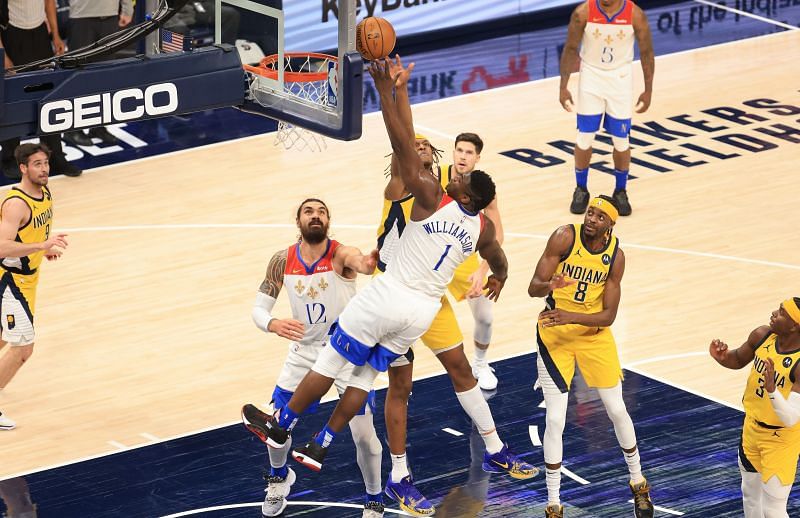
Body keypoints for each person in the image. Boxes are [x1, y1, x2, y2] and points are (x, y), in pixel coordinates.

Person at [242, 55, 536, 516]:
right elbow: (496, 254)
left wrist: (388, 89)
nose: (420, 149)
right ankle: (353, 456)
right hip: (417, 305)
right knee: (377, 378)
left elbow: (400, 138)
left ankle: (285, 423)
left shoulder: (427, 193)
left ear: (451, 183)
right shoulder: (459, 215)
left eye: (427, 149)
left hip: (393, 296)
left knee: (343, 362)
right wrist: (498, 275)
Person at [374, 126, 515, 514]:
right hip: (392, 294)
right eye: (412, 145)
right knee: (399, 384)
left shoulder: (445, 196)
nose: (419, 147)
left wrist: (494, 270)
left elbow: (488, 231)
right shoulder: (403, 184)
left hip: (431, 297)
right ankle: (398, 476)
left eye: (426, 145)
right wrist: (392, 92)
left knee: (462, 368)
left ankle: (495, 447)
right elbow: (402, 146)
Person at [242, 198, 385, 517]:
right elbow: (258, 309)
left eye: (321, 212)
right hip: (304, 354)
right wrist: (274, 323)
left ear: (328, 221)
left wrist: (370, 261)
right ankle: (279, 480)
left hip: (348, 352)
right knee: (276, 429)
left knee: (364, 436)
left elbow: (361, 263)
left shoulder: (340, 254)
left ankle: (374, 499)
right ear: (298, 221)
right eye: (309, 211)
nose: (315, 215)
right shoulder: (281, 261)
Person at [528, 196, 653, 518]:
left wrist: (571, 315)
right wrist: (548, 285)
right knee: (555, 419)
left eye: (600, 216)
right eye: (590, 212)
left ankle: (639, 483)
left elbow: (608, 316)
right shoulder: (564, 237)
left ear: (611, 225)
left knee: (616, 409)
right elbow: (533, 288)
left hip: (592, 333)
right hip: (554, 333)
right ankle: (554, 504)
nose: (591, 219)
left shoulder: (616, 257)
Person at [559, 0, 654, 216]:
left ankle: (620, 191)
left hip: (620, 78)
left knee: (621, 140)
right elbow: (571, 48)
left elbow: (647, 52)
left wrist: (648, 90)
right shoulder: (582, 13)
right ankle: (581, 189)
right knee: (584, 137)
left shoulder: (635, 15)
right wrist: (563, 87)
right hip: (591, 76)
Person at [709, 298, 800, 517]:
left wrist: (772, 390)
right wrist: (722, 357)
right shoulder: (762, 335)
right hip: (751, 429)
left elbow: (791, 418)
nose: (773, 314)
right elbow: (738, 359)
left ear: (794, 325)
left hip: (780, 440)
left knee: (773, 510)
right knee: (750, 497)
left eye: (781, 313)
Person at [0, 143, 69, 430]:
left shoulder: (45, 192)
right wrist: (40, 245)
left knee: (2, 337)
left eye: (45, 163)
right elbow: (2, 246)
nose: (44, 169)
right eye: (37, 164)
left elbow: (37, 230)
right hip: (11, 282)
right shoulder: (16, 202)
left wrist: (44, 249)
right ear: (23, 168)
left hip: (26, 280)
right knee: (23, 348)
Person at [443, 132, 504, 390]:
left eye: (469, 152)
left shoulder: (482, 189)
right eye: (459, 150)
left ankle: (479, 362)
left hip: (462, 257)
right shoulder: (436, 175)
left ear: (477, 157)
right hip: (428, 255)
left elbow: (498, 233)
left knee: (486, 317)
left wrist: (483, 268)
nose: (463, 156)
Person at [0, 0, 82, 179]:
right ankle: (9, 158)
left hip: (39, 33)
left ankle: (55, 156)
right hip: (11, 34)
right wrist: (3, 54)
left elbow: (49, 2)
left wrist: (55, 35)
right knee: (13, 98)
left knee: (48, 95)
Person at [63, 0, 134, 147]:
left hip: (110, 16)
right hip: (82, 17)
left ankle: (98, 126)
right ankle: (72, 129)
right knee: (77, 76)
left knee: (105, 76)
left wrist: (127, 8)